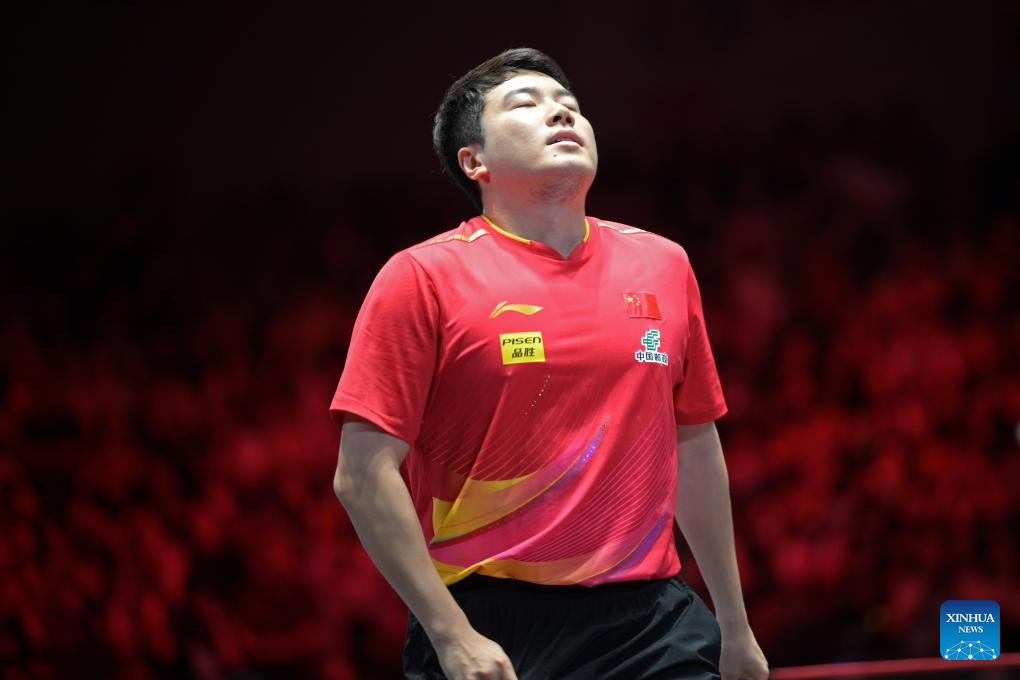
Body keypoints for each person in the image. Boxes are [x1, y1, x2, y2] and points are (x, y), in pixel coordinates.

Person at [330, 47, 770, 680]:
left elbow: (695, 445)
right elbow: (361, 475)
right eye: (526, 104)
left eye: (570, 105)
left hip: (653, 623)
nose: (561, 114)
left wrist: (734, 624)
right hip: (492, 622)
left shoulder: (664, 264)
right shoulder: (422, 277)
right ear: (474, 161)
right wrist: (450, 633)